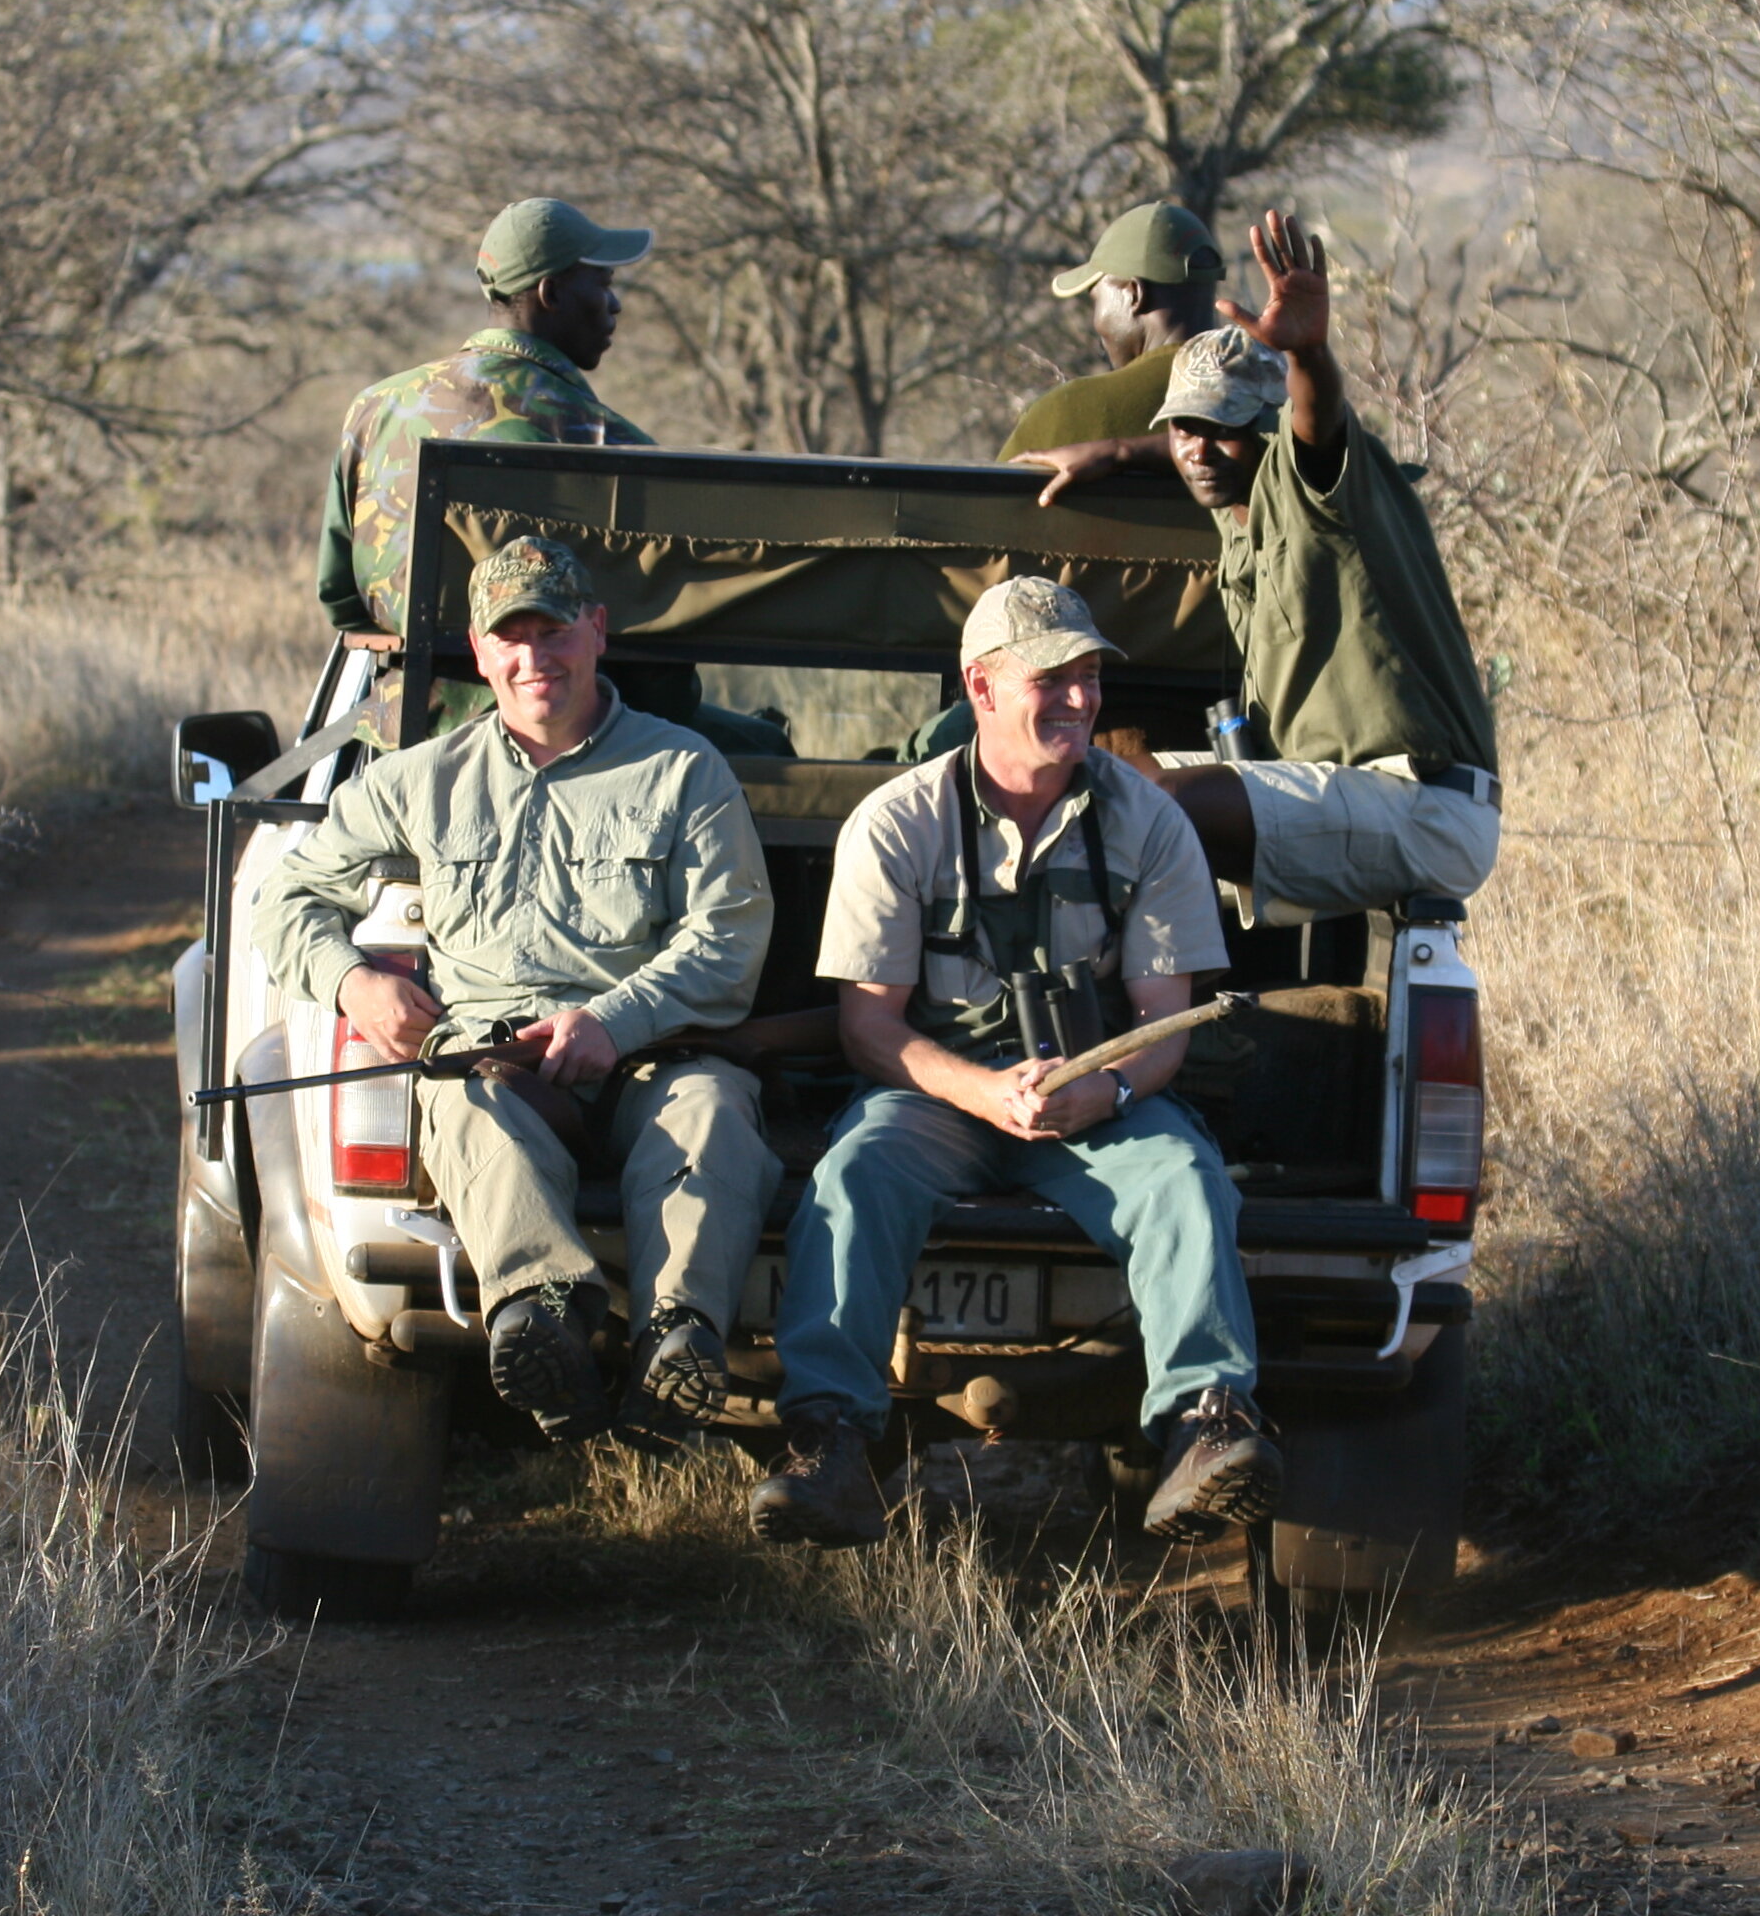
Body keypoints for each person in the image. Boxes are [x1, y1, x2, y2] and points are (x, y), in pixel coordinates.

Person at [747, 576, 1279, 1550]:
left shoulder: (1149, 823)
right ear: (981, 688)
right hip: (937, 1093)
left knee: (1182, 1176)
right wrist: (981, 1089)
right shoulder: (898, 820)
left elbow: (1168, 1021)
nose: (1076, 698)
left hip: (1095, 1097)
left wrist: (1104, 1089)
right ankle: (830, 1440)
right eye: (1050, 678)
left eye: (1087, 677)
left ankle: (1207, 1425)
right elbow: (869, 1028)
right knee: (856, 1173)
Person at [255, 535, 780, 1443]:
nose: (536, 658)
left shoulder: (685, 770)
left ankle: (679, 1348)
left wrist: (616, 1020)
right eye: (513, 638)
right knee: (463, 1108)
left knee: (714, 1113)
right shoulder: (418, 780)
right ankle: (544, 1322)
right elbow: (286, 897)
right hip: (496, 1065)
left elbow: (728, 935)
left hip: (653, 1062)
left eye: (555, 631)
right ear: (482, 650)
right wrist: (356, 988)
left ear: (597, 631)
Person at [1021, 211, 1499, 924]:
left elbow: (1315, 425)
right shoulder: (1228, 497)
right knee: (1085, 786)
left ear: (1269, 429)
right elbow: (1198, 449)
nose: (1201, 451)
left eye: (1228, 432)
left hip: (1419, 805)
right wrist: (1123, 453)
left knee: (1158, 803)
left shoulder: (1315, 491)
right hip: (1325, 790)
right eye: (1186, 430)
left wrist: (1309, 355)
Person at [316, 197, 652, 642]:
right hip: (553, 700)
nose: (614, 305)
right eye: (603, 283)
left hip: (399, 706)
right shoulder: (605, 438)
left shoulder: (375, 408)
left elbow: (340, 598)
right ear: (551, 294)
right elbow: (646, 623)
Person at [997, 202, 1228, 461]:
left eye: (1096, 299)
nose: (1096, 321)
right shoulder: (1264, 404)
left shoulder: (1066, 411)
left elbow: (984, 498)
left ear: (1135, 294)